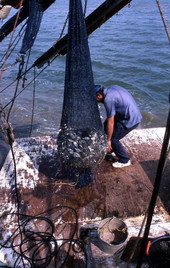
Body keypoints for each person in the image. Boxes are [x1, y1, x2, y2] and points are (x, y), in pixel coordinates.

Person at [95, 84, 142, 168]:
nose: (96, 101)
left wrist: (108, 140)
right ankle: (113, 149)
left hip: (130, 120)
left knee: (114, 139)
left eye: (95, 99)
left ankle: (124, 160)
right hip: (128, 113)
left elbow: (111, 121)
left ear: (99, 95)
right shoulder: (111, 88)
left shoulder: (108, 100)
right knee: (106, 125)